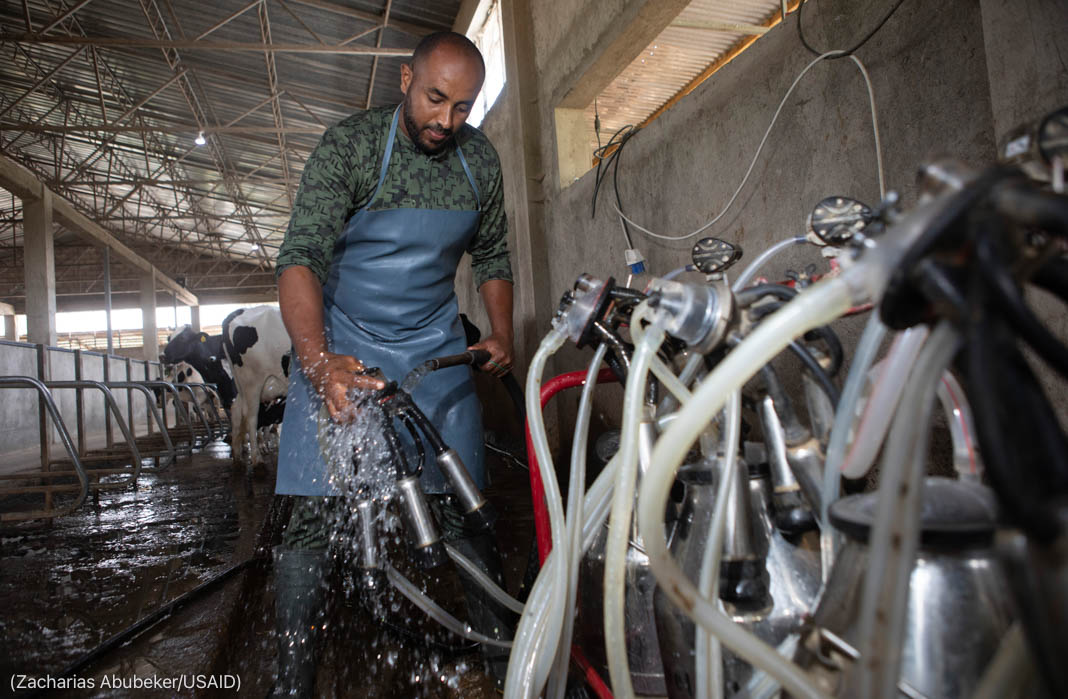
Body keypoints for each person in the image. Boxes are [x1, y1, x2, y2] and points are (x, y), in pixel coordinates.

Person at [272, 31, 515, 696]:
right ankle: (292, 679)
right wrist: (319, 363)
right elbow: (300, 258)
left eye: (463, 107)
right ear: (405, 79)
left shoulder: (479, 161)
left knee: (468, 512)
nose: (447, 120)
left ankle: (503, 663)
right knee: (313, 518)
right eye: (436, 98)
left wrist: (498, 329)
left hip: (434, 354)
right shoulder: (350, 147)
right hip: (341, 348)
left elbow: (492, 252)